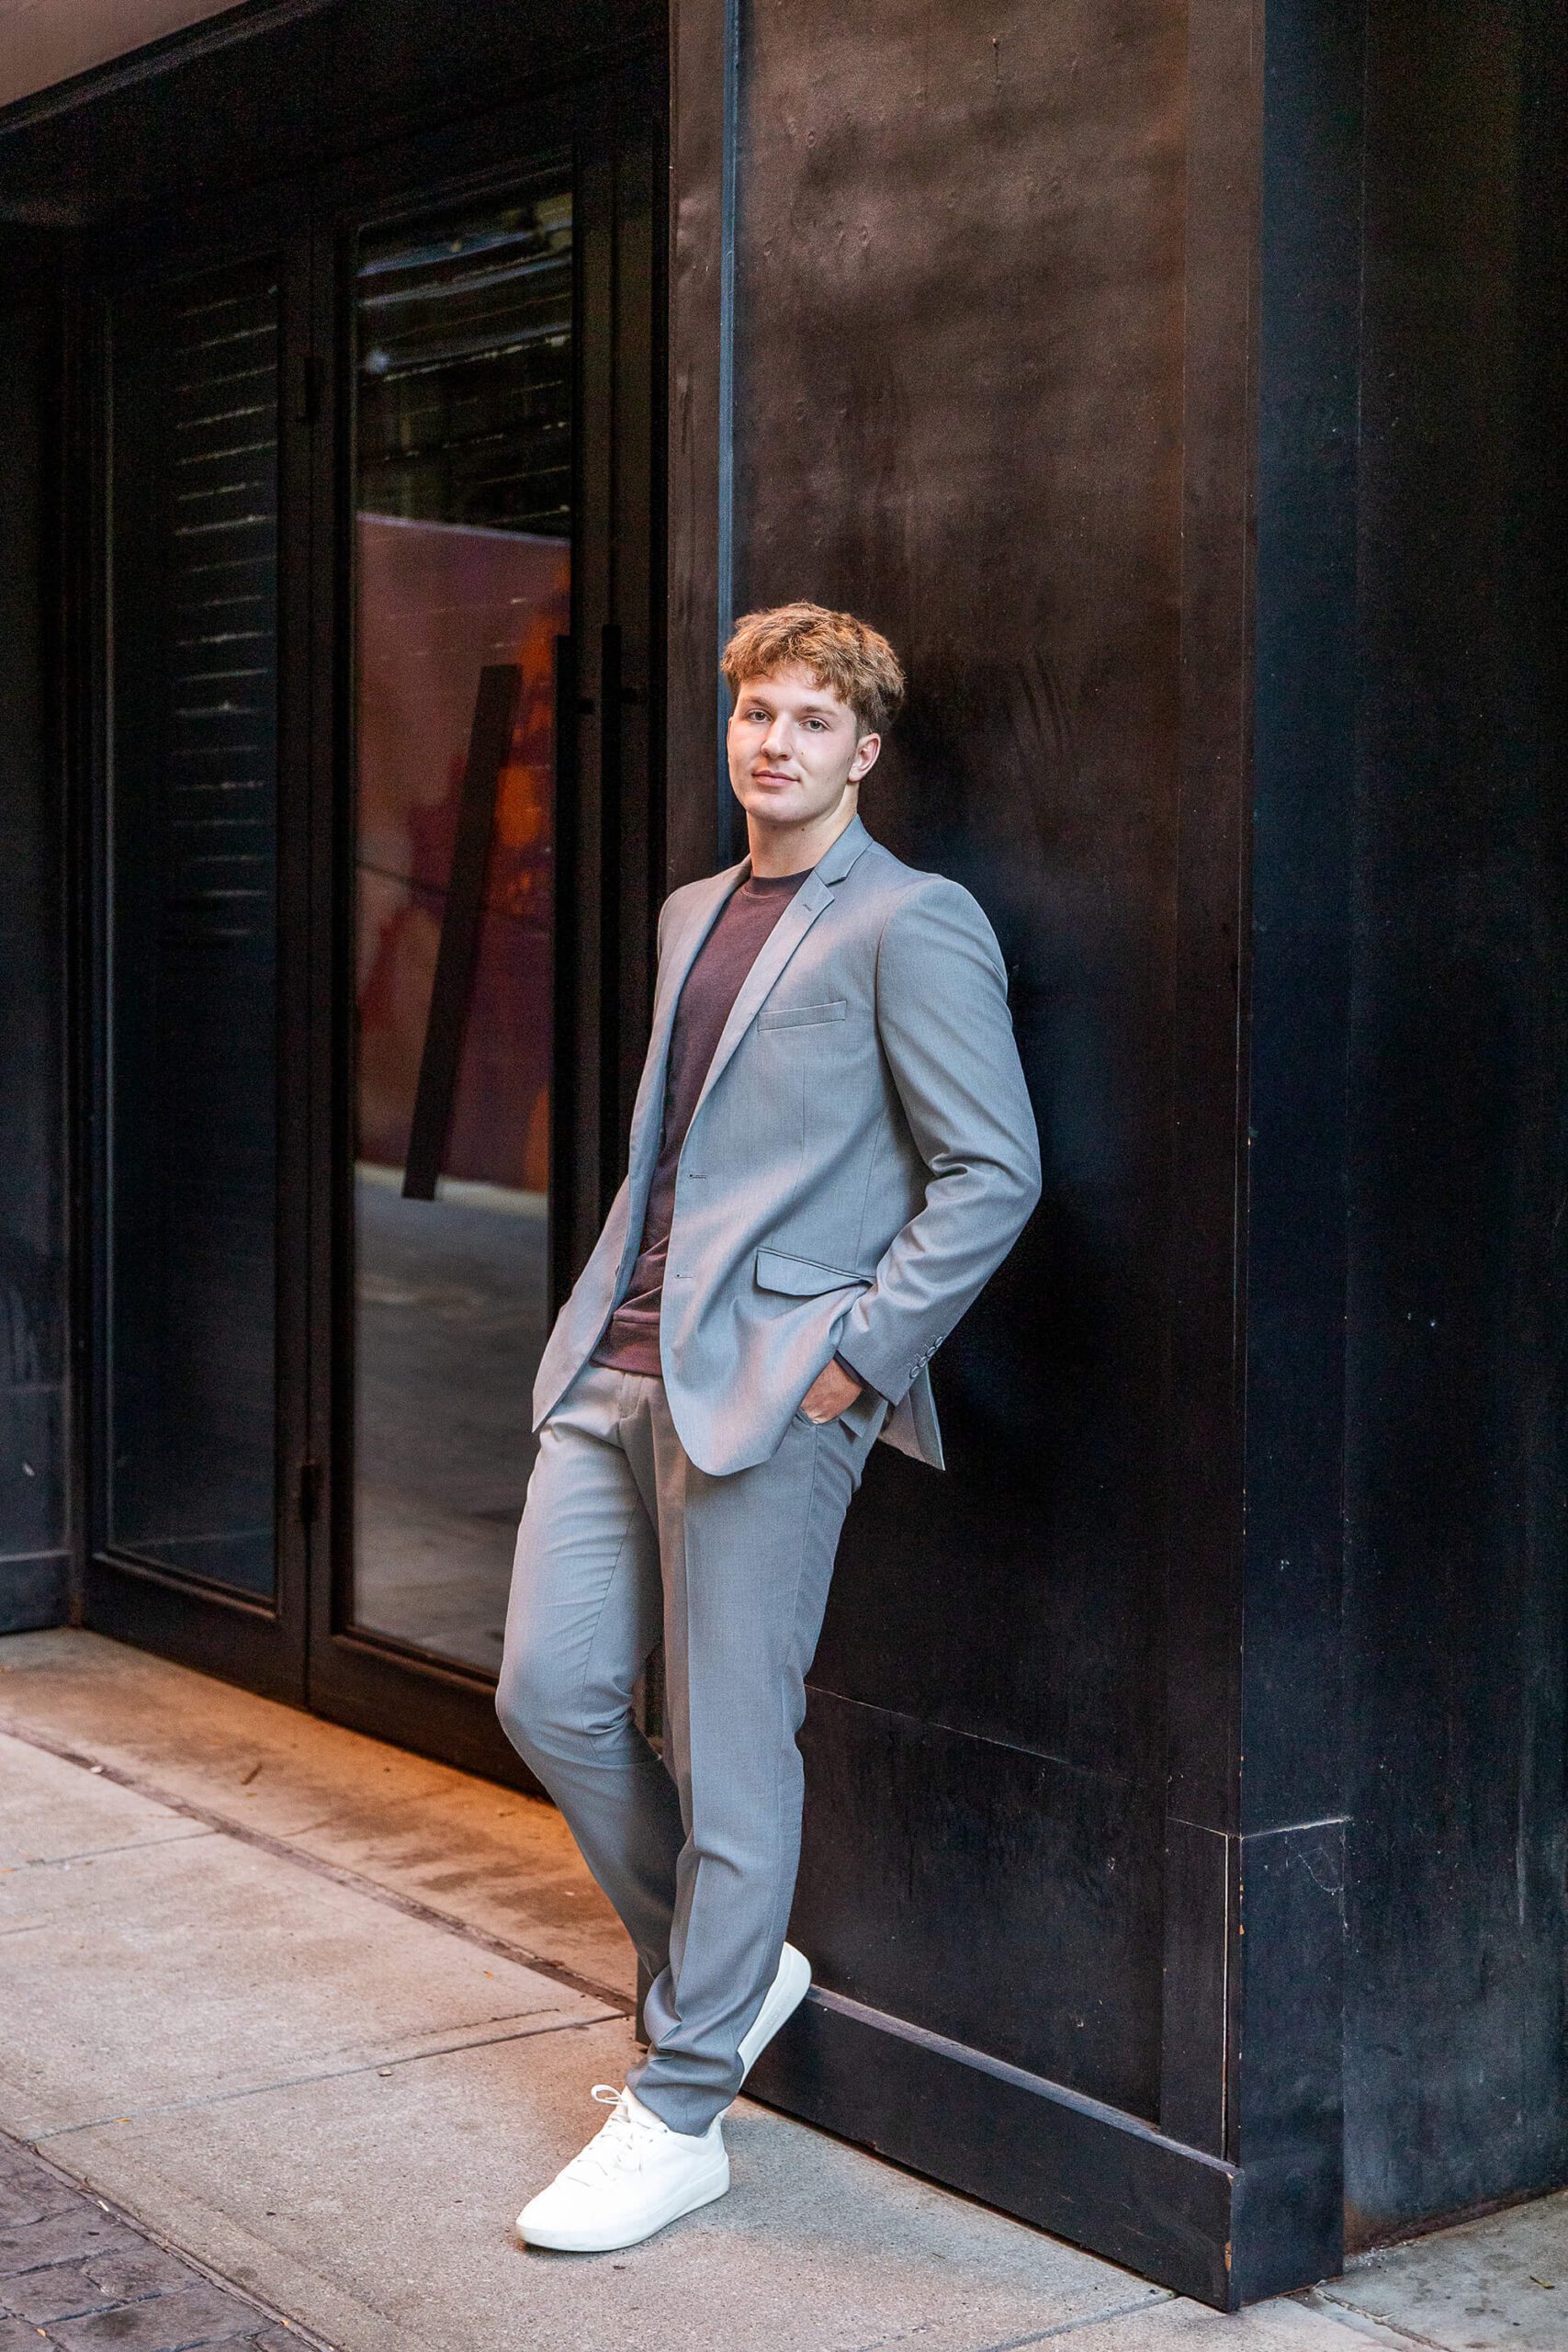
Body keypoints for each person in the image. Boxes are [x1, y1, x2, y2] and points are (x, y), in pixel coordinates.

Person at [496, 601, 1041, 2253]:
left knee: (737, 1753)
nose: (773, 743)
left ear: (862, 752)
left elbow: (992, 1171)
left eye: (812, 720)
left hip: (772, 1391)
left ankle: (683, 2106)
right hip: (620, 1365)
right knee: (549, 1692)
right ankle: (727, 1979)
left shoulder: (910, 922)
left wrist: (853, 1365)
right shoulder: (688, 915)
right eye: (755, 715)